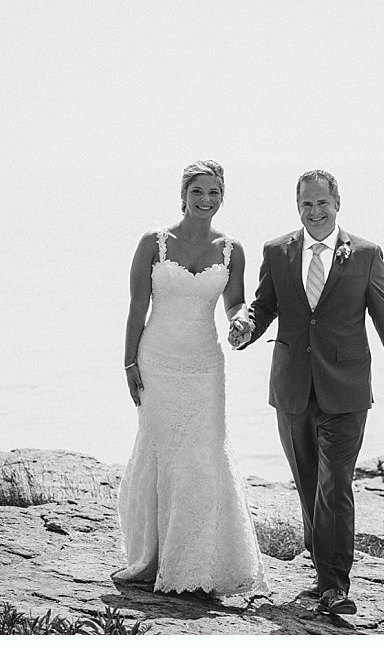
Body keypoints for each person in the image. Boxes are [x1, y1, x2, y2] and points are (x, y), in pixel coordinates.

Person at [229, 169, 384, 615]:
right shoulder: (277, 251)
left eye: (322, 203)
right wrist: (245, 329)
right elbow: (264, 306)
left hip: (347, 391)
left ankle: (335, 586)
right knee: (308, 484)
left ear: (338, 203)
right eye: (306, 205)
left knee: (335, 485)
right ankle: (321, 566)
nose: (315, 212)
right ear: (297, 206)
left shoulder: (367, 255)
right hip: (293, 388)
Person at [115, 160, 266, 597]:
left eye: (213, 193)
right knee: (160, 455)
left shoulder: (231, 249)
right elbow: (135, 308)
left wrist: (241, 323)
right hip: (157, 362)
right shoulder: (154, 243)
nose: (205, 200)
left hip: (205, 366)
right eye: (197, 191)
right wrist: (129, 363)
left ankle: (199, 562)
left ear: (223, 197)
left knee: (202, 459)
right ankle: (149, 560)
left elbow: (235, 303)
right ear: (183, 194)